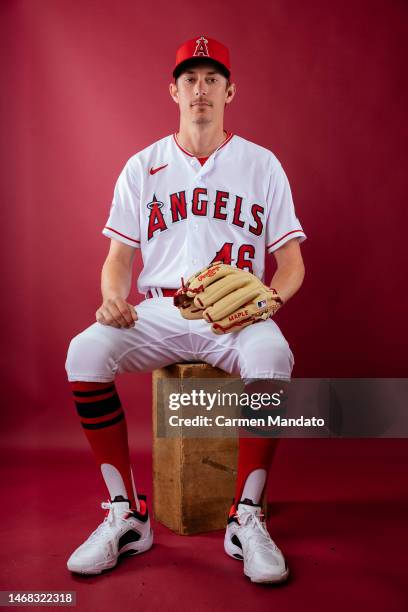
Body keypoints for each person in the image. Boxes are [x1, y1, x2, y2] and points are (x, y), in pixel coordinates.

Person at [65, 35, 306, 584]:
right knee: (84, 353)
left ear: (230, 91)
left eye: (212, 80)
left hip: (239, 316)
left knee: (274, 356)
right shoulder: (142, 166)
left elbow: (291, 262)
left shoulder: (262, 164)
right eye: (191, 80)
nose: (201, 89)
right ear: (173, 91)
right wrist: (111, 299)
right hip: (162, 309)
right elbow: (118, 257)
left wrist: (271, 299)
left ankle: (245, 516)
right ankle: (126, 514)